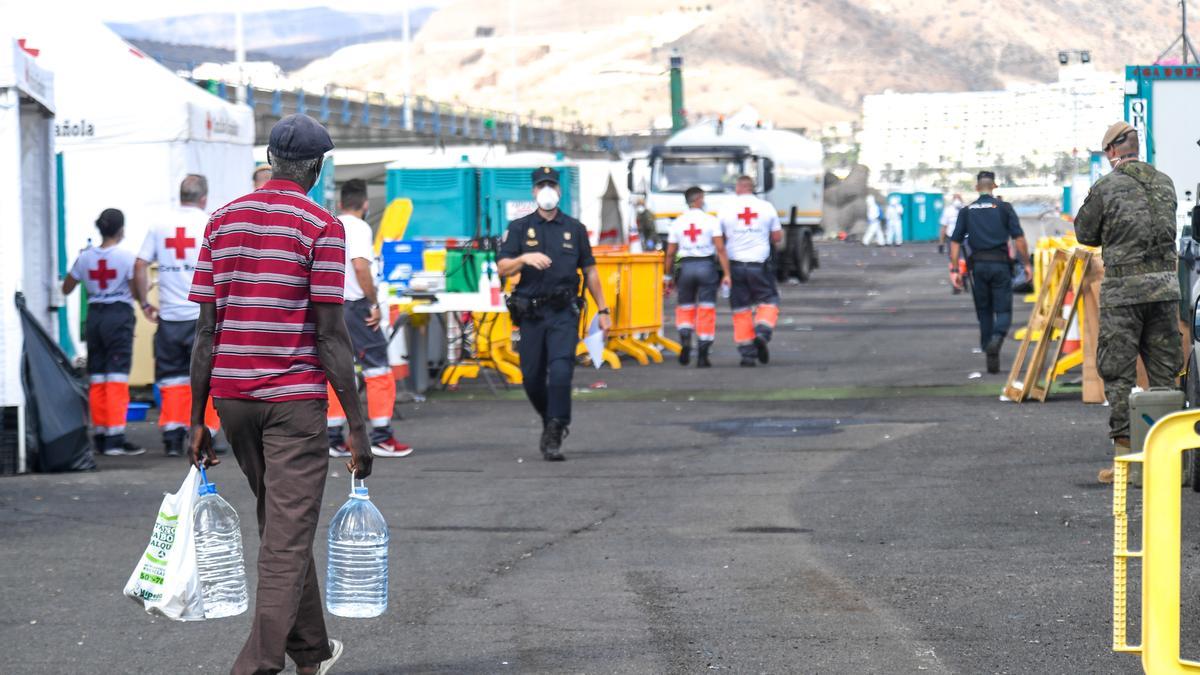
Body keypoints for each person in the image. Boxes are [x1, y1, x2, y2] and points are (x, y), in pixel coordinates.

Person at [188, 114, 370, 675]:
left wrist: (197, 418)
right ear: (316, 168)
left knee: (281, 525)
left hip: (233, 401)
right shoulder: (320, 225)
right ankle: (257, 666)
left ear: (269, 159)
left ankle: (311, 652)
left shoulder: (221, 221)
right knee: (286, 538)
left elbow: (205, 333)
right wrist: (359, 428)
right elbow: (332, 336)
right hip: (292, 405)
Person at [1074, 121, 1183, 483]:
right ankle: (1171, 460)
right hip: (1166, 290)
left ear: (1111, 152)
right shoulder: (1165, 182)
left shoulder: (1106, 187)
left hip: (1124, 294)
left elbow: (1085, 234)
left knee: (1119, 374)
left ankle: (1126, 462)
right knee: (1166, 373)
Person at [497, 166, 612, 461]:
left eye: (552, 185)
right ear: (534, 192)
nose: (547, 190)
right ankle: (551, 418)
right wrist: (523, 258)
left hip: (563, 312)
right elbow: (502, 267)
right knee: (532, 378)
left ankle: (556, 428)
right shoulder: (520, 227)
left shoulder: (574, 228)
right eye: (541, 185)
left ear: (559, 191)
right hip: (531, 313)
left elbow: (591, 271)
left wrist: (604, 309)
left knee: (561, 372)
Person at [134, 175, 221, 457]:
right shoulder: (210, 222)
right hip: (202, 316)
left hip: (170, 317)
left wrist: (144, 303)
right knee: (207, 375)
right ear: (203, 198)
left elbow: (140, 264)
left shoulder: (159, 225)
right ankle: (207, 433)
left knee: (171, 378)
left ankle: (172, 436)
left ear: (180, 196)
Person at [325, 178, 413, 458]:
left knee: (338, 372)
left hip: (331, 307)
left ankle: (332, 436)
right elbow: (360, 266)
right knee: (378, 371)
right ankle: (382, 435)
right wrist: (374, 302)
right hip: (356, 306)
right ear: (365, 204)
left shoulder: (329, 225)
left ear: (340, 204)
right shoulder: (360, 228)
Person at [62, 209, 149, 456]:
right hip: (118, 316)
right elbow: (134, 292)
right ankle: (115, 437)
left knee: (97, 376)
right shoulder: (125, 257)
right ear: (121, 230)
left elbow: (67, 288)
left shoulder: (85, 258)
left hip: (94, 317)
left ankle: (100, 434)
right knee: (117, 377)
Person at [948, 171, 1032, 374]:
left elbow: (955, 241)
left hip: (978, 268)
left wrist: (955, 269)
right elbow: (1018, 239)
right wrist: (1027, 264)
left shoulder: (967, 211)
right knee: (1003, 310)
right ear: (994, 186)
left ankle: (988, 348)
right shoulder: (1004, 208)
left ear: (977, 188)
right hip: (1001, 266)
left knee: (984, 311)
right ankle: (997, 337)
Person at [663, 186, 731, 367]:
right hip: (706, 267)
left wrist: (667, 276)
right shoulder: (711, 220)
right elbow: (721, 249)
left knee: (685, 307)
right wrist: (726, 273)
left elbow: (670, 253)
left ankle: (685, 338)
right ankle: (703, 353)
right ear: (699, 199)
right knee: (706, 309)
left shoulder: (678, 222)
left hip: (685, 267)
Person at [718, 175, 782, 367]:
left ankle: (747, 354)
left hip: (735, 265)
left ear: (738, 188)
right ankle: (762, 333)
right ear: (752, 188)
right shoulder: (766, 207)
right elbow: (777, 237)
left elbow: (718, 240)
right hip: (759, 265)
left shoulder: (726, 209)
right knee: (769, 301)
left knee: (741, 309)